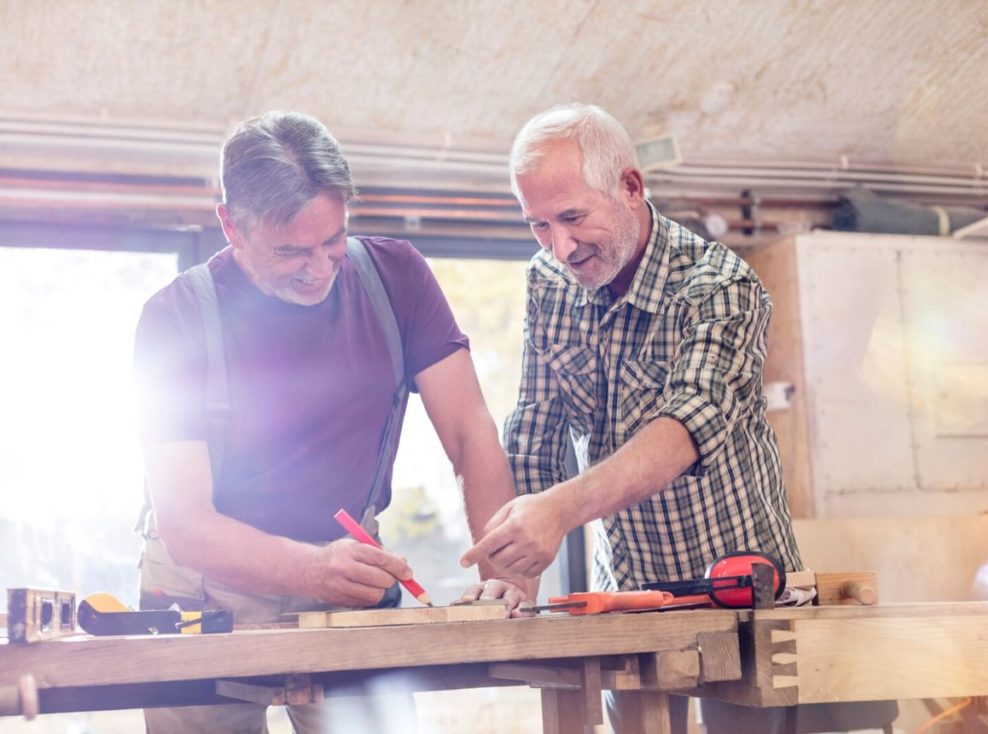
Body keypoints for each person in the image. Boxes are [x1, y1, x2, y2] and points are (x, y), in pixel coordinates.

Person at [133, 110, 525, 733]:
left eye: (332, 240)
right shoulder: (173, 319)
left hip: (349, 579)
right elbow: (185, 522)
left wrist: (500, 576)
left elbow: (469, 431)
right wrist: (312, 567)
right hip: (203, 591)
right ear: (231, 225)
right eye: (291, 250)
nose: (319, 267)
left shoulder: (398, 278)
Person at [461, 104, 803, 733]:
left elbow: (683, 431)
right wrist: (512, 579)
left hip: (739, 588)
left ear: (630, 188)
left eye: (572, 217)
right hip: (625, 588)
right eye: (538, 224)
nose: (559, 247)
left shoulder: (721, 286)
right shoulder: (549, 282)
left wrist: (559, 511)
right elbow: (537, 427)